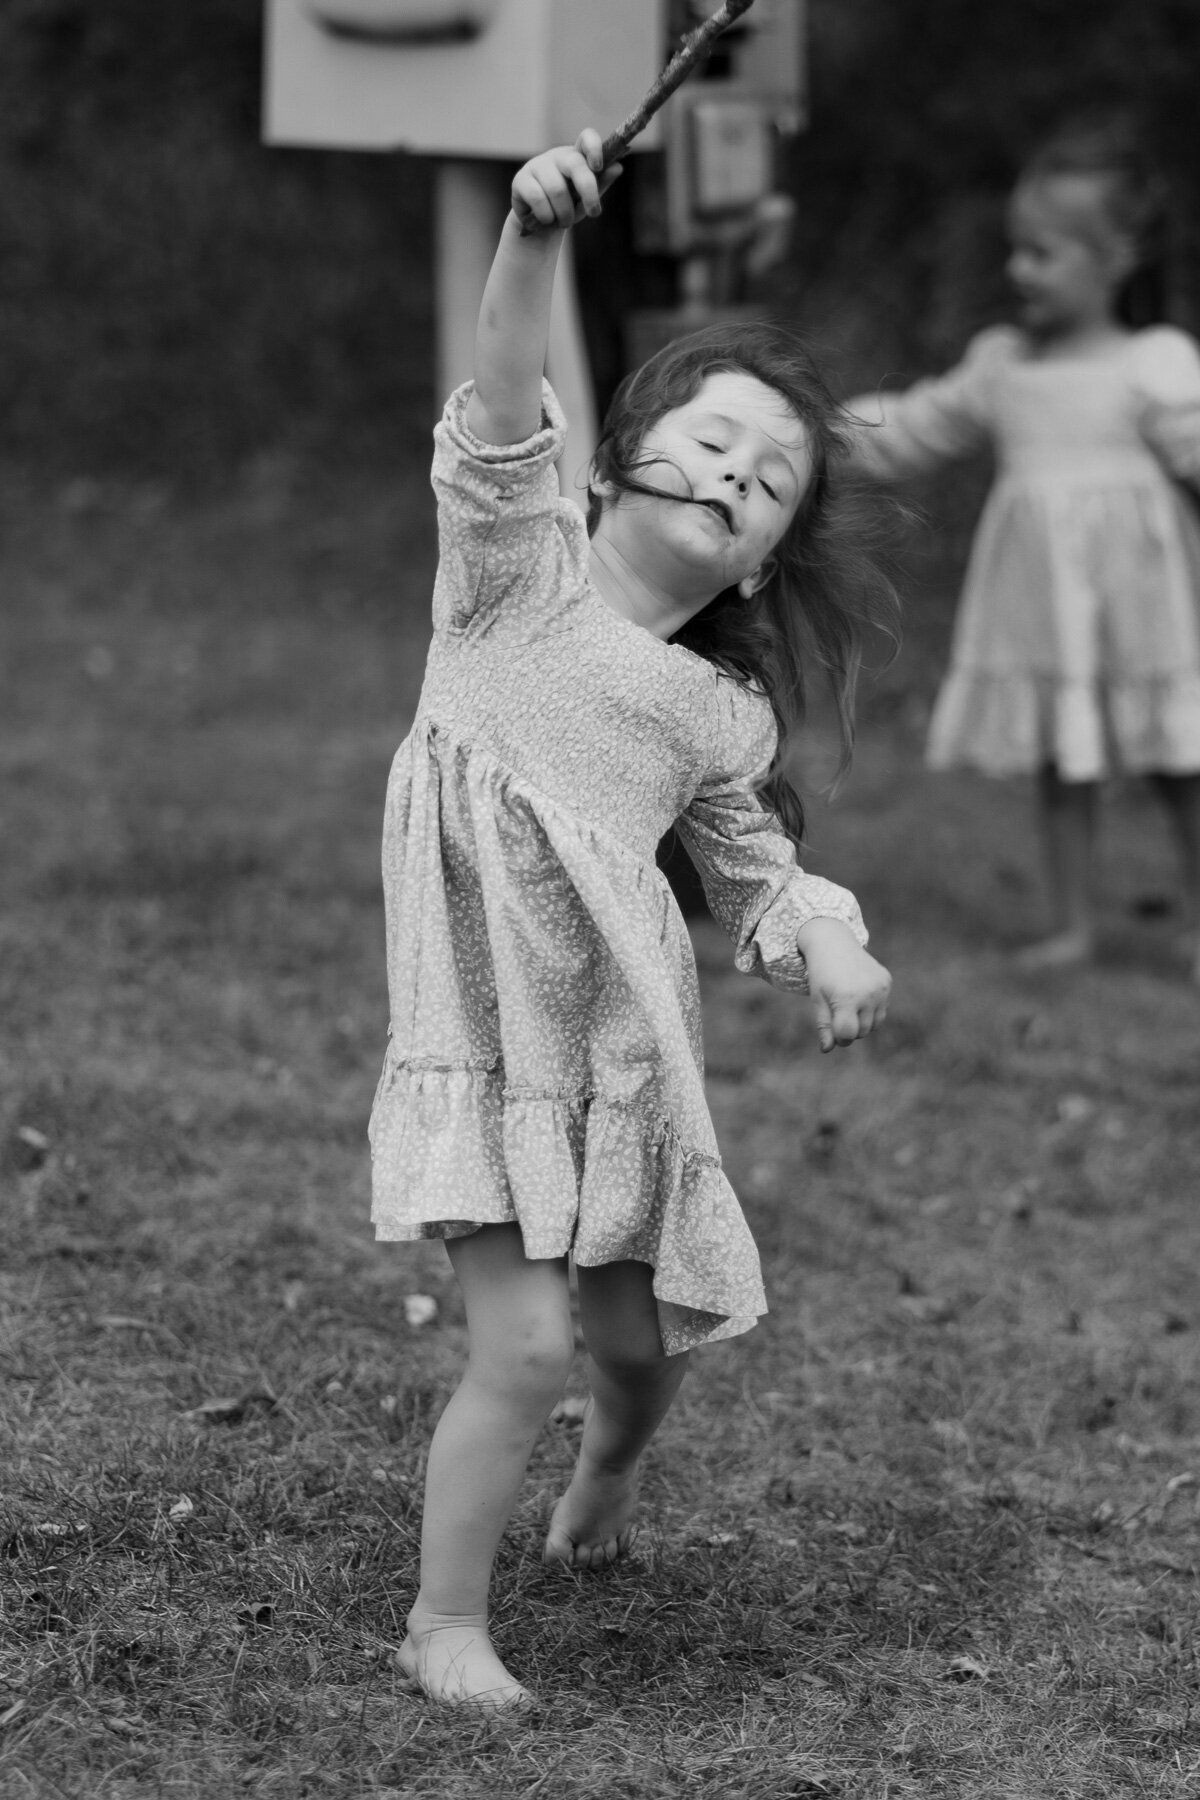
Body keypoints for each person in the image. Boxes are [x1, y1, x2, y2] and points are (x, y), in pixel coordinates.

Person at [369, 129, 894, 1711]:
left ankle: (604, 1477)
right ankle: (445, 1624)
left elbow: (749, 861)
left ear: (769, 550)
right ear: (613, 460)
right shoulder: (512, 574)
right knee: (522, 1347)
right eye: (714, 442)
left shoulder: (713, 708)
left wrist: (828, 936)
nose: (736, 473)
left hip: (614, 1058)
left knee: (634, 1351)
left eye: (769, 479)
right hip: (478, 1025)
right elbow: (504, 401)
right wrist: (536, 236)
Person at [847, 116, 1200, 974]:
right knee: (1061, 760)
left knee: (1180, 764)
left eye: (1042, 253)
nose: (1018, 270)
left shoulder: (1155, 362)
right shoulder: (1003, 366)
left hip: (1144, 608)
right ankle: (1072, 924)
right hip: (1046, 607)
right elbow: (915, 425)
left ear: (1117, 257)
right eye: (1017, 249)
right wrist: (804, 425)